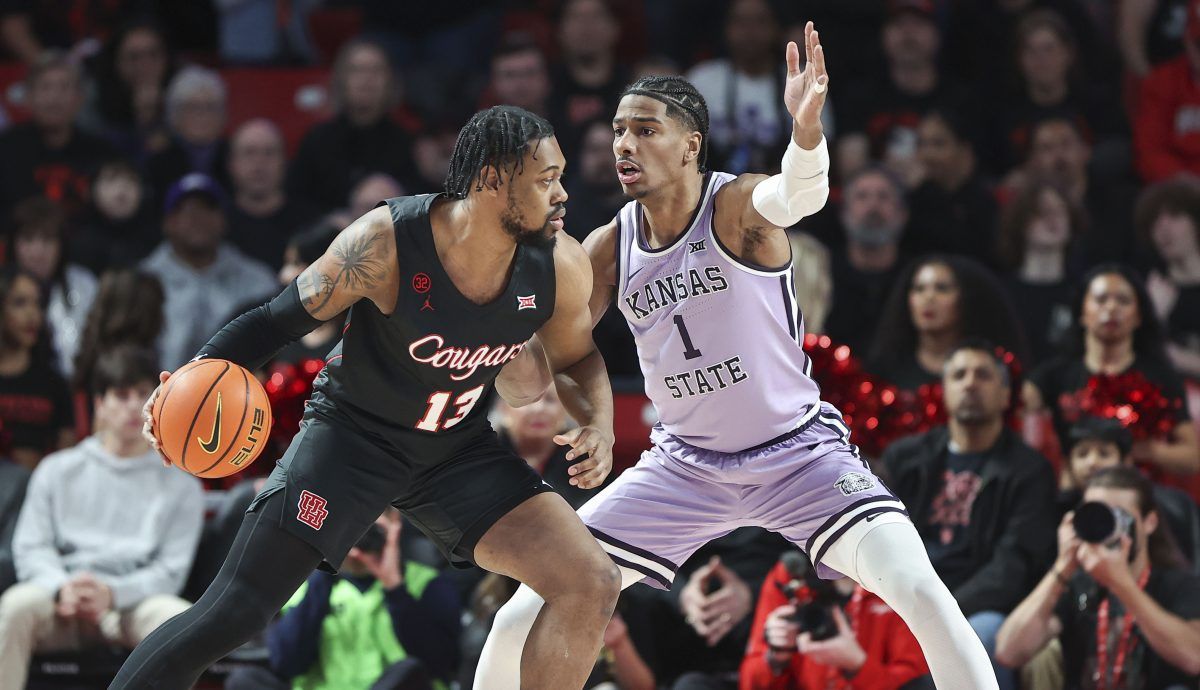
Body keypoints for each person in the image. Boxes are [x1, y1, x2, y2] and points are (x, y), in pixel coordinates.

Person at [478, 25, 1000, 690]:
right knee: (522, 611)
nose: (624, 145)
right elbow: (531, 378)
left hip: (797, 455)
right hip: (683, 468)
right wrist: (502, 322)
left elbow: (798, 196)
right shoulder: (608, 246)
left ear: (691, 143)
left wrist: (805, 130)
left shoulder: (733, 207)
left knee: (920, 592)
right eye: (617, 131)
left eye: (644, 129)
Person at [111, 105, 622, 690]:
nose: (562, 194)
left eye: (560, 176)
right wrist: (186, 384)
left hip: (453, 449)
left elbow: (577, 358)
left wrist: (599, 424)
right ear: (491, 180)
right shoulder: (387, 243)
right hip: (353, 440)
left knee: (589, 581)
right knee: (237, 609)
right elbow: (271, 324)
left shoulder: (558, 262)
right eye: (545, 179)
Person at [0, 346, 203, 689]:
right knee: (16, 605)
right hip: (60, 599)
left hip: (130, 606)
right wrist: (60, 587)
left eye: (143, 395)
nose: (133, 406)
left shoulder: (182, 486)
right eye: (121, 395)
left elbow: (170, 571)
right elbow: (31, 546)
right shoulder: (58, 470)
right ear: (99, 404)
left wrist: (113, 593)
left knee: (178, 620)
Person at [882, 340, 1058, 690]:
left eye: (983, 375)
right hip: (906, 597)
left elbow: (1013, 566)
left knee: (982, 635)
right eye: (959, 375)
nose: (970, 383)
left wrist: (940, 612)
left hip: (979, 605)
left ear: (1007, 395)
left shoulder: (1029, 470)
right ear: (944, 390)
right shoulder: (906, 457)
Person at [996, 466, 1200, 688]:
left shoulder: (1180, 586)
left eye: (1120, 517)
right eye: (1098, 514)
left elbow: (1193, 657)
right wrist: (1063, 565)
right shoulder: (1077, 585)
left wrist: (1122, 585)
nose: (1108, 527)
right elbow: (1008, 652)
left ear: (1149, 522)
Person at [223, 511, 461, 690]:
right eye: (351, 530)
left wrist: (395, 588)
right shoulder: (304, 586)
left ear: (395, 525)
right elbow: (286, 663)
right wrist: (327, 567)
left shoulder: (429, 584)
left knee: (408, 672)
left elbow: (439, 666)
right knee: (244, 681)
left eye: (371, 529)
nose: (360, 539)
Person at [1023, 264, 1200, 475]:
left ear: (1138, 316)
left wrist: (1146, 450)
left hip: (1136, 491)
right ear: (1082, 312)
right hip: (1071, 491)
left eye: (1123, 301)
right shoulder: (1054, 375)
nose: (1111, 308)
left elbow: (1193, 458)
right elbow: (1013, 405)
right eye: (1101, 299)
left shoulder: (1161, 377)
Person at [141, 172, 278, 369]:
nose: (197, 218)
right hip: (159, 393)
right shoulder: (144, 281)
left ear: (223, 219)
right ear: (168, 222)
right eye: (186, 210)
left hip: (239, 393)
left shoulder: (257, 279)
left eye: (208, 208)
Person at [739, 553, 930, 690]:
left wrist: (857, 665)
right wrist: (776, 657)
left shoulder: (902, 582)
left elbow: (921, 682)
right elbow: (750, 682)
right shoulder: (790, 577)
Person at [288, 38, 421, 212]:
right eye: (357, 70)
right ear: (341, 80)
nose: (367, 79)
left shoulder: (407, 143)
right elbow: (295, 201)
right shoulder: (317, 140)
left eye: (376, 70)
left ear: (390, 81)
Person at [867, 255, 1028, 392]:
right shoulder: (885, 370)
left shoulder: (990, 370)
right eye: (919, 289)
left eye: (942, 288)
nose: (929, 297)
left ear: (966, 299)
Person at [1057, 417, 1200, 569]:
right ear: (1069, 464)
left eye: (1104, 454)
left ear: (1126, 462)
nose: (1092, 462)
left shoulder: (1168, 506)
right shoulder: (1059, 509)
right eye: (1082, 454)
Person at [0, 50, 116, 223]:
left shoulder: (103, 153)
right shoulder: (5, 149)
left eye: (64, 87)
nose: (54, 98)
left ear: (80, 98)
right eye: (45, 87)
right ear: (28, 97)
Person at [686, 0, 794, 175]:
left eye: (760, 21)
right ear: (726, 29)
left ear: (777, 29)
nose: (750, 32)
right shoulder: (702, 80)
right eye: (741, 22)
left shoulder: (799, 79)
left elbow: (820, 148)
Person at [821, 166, 908, 355]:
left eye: (883, 197)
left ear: (902, 215)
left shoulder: (915, 280)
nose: (873, 207)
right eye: (862, 197)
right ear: (843, 214)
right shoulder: (820, 276)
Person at [7, 196, 98, 377]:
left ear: (61, 245)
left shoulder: (84, 284)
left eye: (48, 240)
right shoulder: (3, 286)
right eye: (28, 239)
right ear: (14, 244)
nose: (38, 251)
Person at [995, 180, 1083, 364]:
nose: (1052, 219)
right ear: (1021, 222)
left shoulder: (1082, 292)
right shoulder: (1001, 293)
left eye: (1060, 211)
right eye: (1041, 212)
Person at [0, 268, 76, 469]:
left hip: (38, 494)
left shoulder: (54, 383)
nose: (32, 314)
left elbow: (67, 462)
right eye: (20, 303)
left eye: (38, 304)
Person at [905, 108, 997, 268]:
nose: (927, 154)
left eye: (938, 144)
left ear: (964, 150)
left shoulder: (984, 201)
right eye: (921, 144)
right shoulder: (914, 197)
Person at [225, 118, 321, 269]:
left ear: (284, 162)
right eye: (249, 153)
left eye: (269, 153)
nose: (259, 163)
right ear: (232, 164)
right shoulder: (217, 225)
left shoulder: (312, 225)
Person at [1136, 176, 1200, 379]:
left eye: (1175, 216)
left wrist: (1179, 358)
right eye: (1155, 222)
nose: (1164, 228)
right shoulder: (1151, 292)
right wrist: (1152, 316)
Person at [1134, 0, 1200, 182]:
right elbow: (1151, 150)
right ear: (1186, 41)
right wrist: (1185, 184)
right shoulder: (1162, 82)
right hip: (1178, 191)